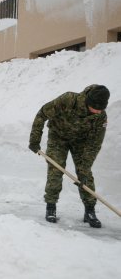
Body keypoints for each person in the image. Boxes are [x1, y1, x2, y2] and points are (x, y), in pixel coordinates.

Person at [28, 84, 110, 228]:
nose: (98, 111)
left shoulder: (100, 116)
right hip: (58, 137)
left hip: (80, 141)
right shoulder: (68, 100)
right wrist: (35, 139)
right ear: (89, 101)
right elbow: (42, 114)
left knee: (85, 173)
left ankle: (90, 210)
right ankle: (51, 206)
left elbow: (94, 144)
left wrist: (85, 167)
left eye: (101, 109)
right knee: (55, 169)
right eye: (96, 108)